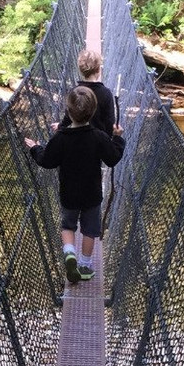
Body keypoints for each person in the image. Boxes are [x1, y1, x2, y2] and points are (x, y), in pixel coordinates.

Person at [26, 85, 125, 283]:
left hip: (69, 194)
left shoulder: (60, 138)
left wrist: (36, 148)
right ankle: (84, 266)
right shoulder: (99, 136)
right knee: (90, 230)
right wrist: (118, 138)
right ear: (94, 110)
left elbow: (46, 161)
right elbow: (112, 159)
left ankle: (69, 254)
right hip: (92, 194)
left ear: (68, 112)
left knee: (68, 227)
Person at [60, 50, 115, 137]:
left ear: (81, 71)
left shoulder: (75, 92)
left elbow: (69, 116)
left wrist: (60, 127)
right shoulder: (106, 93)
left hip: (77, 138)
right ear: (98, 70)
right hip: (99, 141)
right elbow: (109, 122)